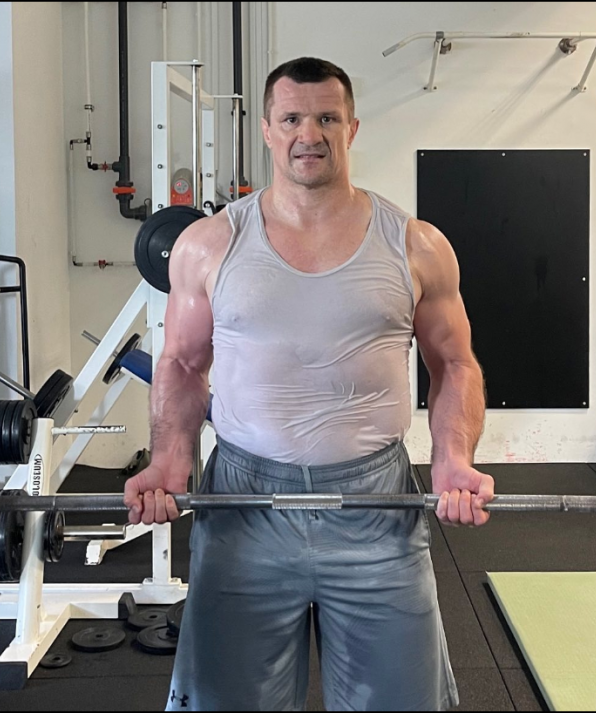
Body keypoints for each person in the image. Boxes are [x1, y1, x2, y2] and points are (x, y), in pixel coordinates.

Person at [124, 56, 495, 712]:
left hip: (375, 508)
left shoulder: (416, 244)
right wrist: (169, 459)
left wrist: (453, 456)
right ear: (267, 130)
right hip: (245, 508)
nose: (309, 134)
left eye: (327, 118)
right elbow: (180, 363)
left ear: (352, 128)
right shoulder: (209, 244)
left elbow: (455, 364)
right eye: (292, 118)